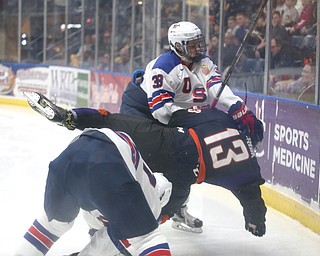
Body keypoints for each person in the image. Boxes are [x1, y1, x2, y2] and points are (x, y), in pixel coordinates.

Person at [25, 91, 267, 241]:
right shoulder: (249, 166)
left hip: (170, 141)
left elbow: (179, 117)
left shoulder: (221, 119)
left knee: (110, 120)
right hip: (183, 176)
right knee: (156, 213)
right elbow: (252, 198)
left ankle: (71, 117)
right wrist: (255, 222)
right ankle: (116, 232)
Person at [110, 21, 264, 233]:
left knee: (185, 155)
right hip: (143, 108)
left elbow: (216, 85)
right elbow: (161, 112)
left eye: (198, 43)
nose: (197, 49)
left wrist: (238, 107)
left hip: (177, 113)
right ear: (177, 46)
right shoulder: (162, 67)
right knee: (134, 157)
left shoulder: (203, 62)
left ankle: (179, 209)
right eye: (191, 45)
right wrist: (197, 117)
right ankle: (112, 209)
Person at [15, 127, 173, 256]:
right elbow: (121, 236)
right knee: (147, 238)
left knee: (50, 226)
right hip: (104, 167)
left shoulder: (137, 176)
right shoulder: (151, 206)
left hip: (66, 161)